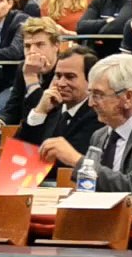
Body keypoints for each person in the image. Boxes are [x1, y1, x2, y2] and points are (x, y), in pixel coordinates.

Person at [40, 54, 132, 197]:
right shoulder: (99, 136)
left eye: (98, 95)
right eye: (90, 94)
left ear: (128, 97)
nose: (91, 103)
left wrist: (77, 160)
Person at [16, 46, 101, 179]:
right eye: (58, 76)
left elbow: (66, 165)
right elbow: (19, 156)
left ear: (91, 80)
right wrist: (39, 112)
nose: (61, 83)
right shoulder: (50, 107)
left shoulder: (97, 115)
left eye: (70, 77)